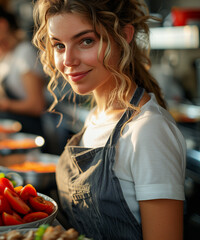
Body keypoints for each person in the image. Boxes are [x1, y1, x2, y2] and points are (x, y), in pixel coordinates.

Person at [32, 0, 186, 239]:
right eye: (59, 45)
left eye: (86, 41)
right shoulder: (97, 116)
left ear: (123, 36)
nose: (68, 60)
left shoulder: (148, 131)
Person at [0, 1, 48, 138]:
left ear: (1, 25)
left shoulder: (24, 53)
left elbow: (36, 106)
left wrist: (3, 104)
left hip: (28, 134)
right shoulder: (8, 53)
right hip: (14, 132)